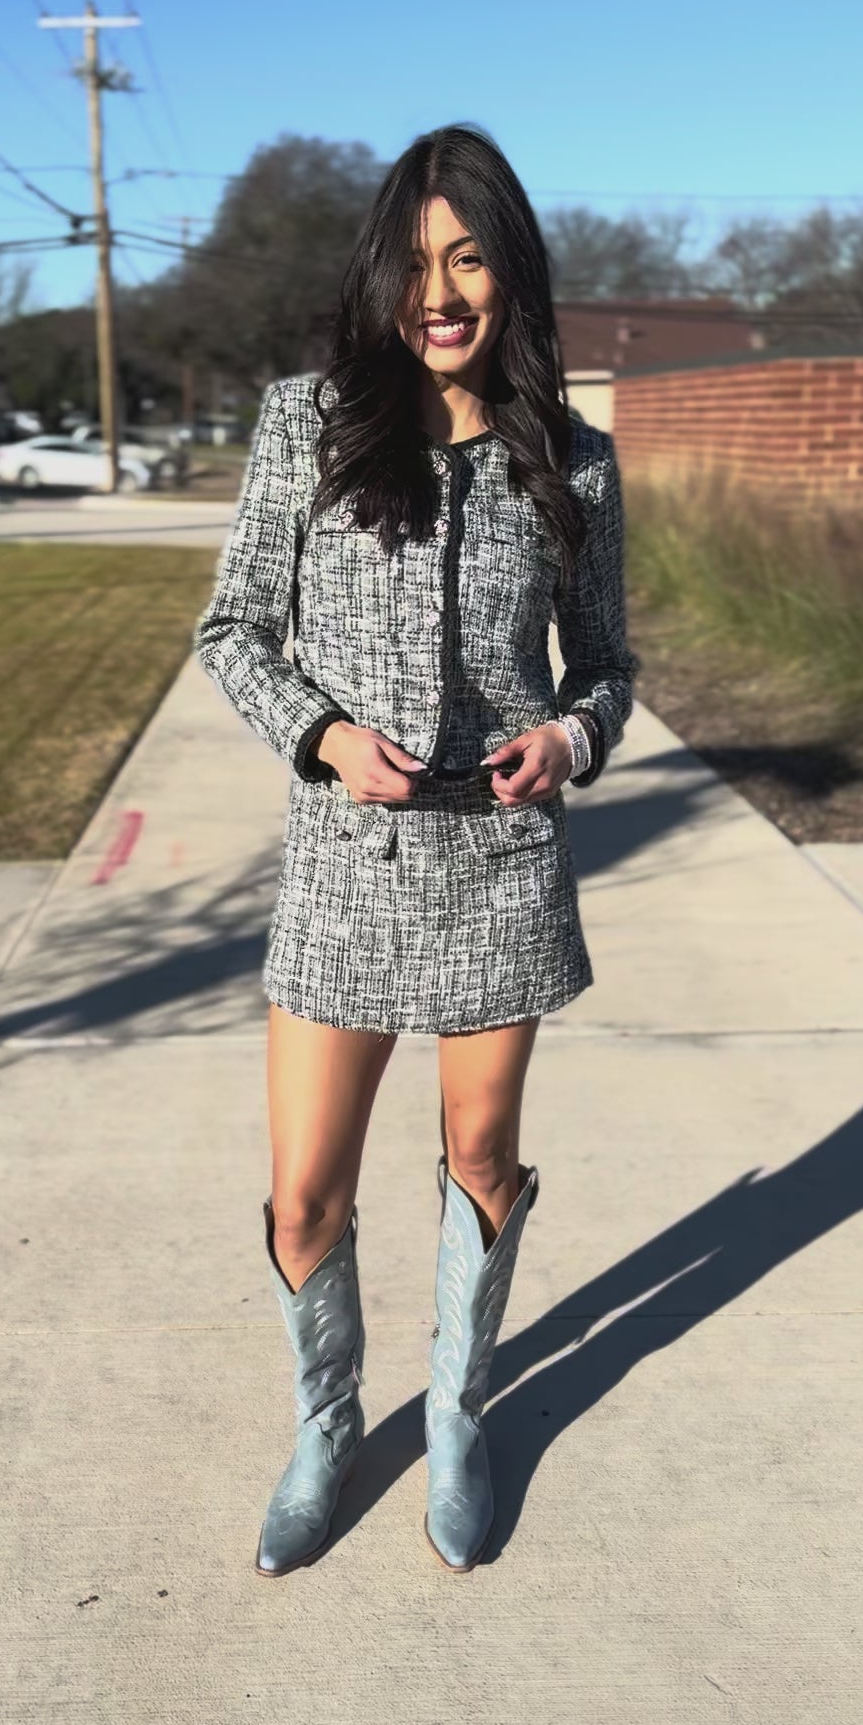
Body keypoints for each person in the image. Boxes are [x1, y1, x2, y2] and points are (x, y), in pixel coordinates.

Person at [192, 123, 638, 1577]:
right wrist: (320, 736)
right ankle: (329, 1428)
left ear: (511, 277)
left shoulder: (574, 459)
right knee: (307, 1186)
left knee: (482, 1157)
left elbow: (609, 670)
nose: (442, 292)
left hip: (499, 870)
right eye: (418, 262)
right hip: (343, 867)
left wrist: (567, 741)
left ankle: (457, 1411)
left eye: (471, 260)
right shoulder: (304, 425)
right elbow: (233, 631)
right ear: (382, 275)